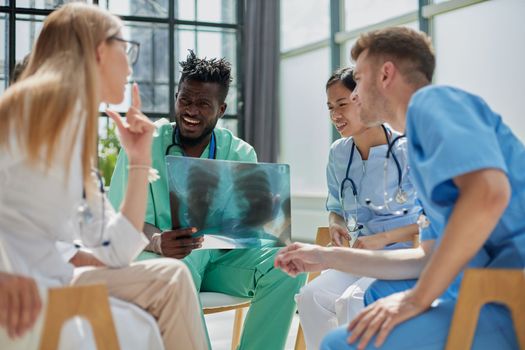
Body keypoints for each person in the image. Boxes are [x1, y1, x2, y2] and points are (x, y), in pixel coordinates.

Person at [279, 26, 524, 349]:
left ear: (386, 75)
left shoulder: (434, 102)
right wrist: (326, 256)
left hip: (505, 292)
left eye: (360, 79)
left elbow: (490, 193)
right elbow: (424, 259)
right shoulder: (423, 151)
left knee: (343, 342)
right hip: (485, 294)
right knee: (343, 337)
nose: (354, 96)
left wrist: (415, 300)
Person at [0, 3, 207, 349]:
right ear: (99, 51)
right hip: (32, 286)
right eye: (125, 50)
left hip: (54, 277)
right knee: (162, 292)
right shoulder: (29, 108)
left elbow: (115, 249)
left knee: (172, 277)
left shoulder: (72, 127)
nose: (130, 64)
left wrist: (139, 160)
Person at [109, 51, 306, 350]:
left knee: (288, 265)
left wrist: (265, 219)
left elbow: (251, 232)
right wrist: (159, 241)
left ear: (221, 108)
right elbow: (120, 220)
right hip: (159, 256)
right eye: (185, 100)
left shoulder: (241, 154)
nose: (191, 110)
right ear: (176, 97)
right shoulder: (144, 143)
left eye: (203, 104)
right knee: (182, 265)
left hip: (218, 261)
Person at [295, 67, 422, 349]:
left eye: (342, 104)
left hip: (403, 255)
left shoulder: (408, 148)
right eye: (330, 107)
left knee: (351, 301)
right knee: (310, 296)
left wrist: (384, 238)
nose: (335, 115)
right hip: (359, 256)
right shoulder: (339, 152)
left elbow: (432, 219)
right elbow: (336, 206)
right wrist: (335, 223)